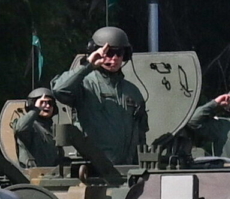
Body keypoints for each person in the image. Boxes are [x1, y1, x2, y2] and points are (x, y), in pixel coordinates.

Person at [49, 26, 148, 166]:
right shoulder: (84, 85)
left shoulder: (132, 92)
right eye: (109, 53)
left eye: (119, 53)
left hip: (127, 169)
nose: (114, 59)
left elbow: (140, 134)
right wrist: (88, 65)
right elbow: (59, 89)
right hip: (94, 168)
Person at [13, 87, 60, 167]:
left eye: (50, 103)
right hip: (32, 175)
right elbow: (20, 129)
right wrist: (36, 109)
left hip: (52, 175)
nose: (47, 106)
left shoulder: (52, 129)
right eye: (42, 103)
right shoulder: (30, 127)